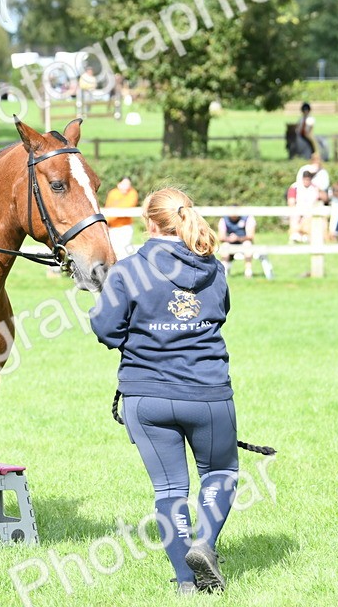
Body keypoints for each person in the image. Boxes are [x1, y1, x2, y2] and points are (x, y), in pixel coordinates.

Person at [89, 188, 238, 595]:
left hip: (146, 395)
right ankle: (204, 544)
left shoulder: (128, 270)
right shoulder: (214, 268)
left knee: (170, 490)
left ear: (149, 223)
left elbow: (105, 329)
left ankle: (187, 583)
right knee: (221, 473)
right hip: (208, 392)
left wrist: (138, 335)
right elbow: (220, 312)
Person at [104, 176, 139, 259]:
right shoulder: (113, 193)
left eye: (128, 184)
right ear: (119, 184)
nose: (126, 186)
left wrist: (115, 209)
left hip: (125, 227)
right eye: (124, 183)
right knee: (113, 250)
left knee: (124, 251)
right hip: (112, 226)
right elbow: (108, 208)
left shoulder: (132, 193)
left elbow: (127, 206)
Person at [289, 169, 325, 243]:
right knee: (295, 217)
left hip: (310, 211)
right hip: (298, 210)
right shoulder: (295, 187)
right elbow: (291, 201)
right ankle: (296, 235)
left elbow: (321, 199)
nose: (306, 181)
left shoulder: (315, 188)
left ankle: (306, 236)